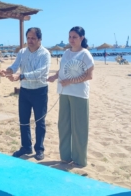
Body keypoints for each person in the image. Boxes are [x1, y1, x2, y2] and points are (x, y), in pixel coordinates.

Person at [0, 27, 51, 161]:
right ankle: (26, 147)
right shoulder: (22, 52)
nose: (30, 41)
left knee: (40, 121)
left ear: (39, 39)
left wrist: (20, 76)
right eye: (28, 38)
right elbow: (15, 66)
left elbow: (41, 73)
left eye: (33, 38)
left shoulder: (45, 54)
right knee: (23, 120)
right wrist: (8, 71)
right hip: (25, 91)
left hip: (40, 91)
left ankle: (39, 149)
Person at [47, 26, 94, 167]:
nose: (71, 39)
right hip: (64, 93)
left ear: (82, 38)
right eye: (70, 37)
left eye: (75, 37)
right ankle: (65, 157)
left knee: (79, 127)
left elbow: (89, 76)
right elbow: (61, 70)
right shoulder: (66, 53)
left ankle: (79, 159)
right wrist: (54, 76)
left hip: (79, 94)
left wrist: (71, 81)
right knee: (64, 125)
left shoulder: (86, 54)